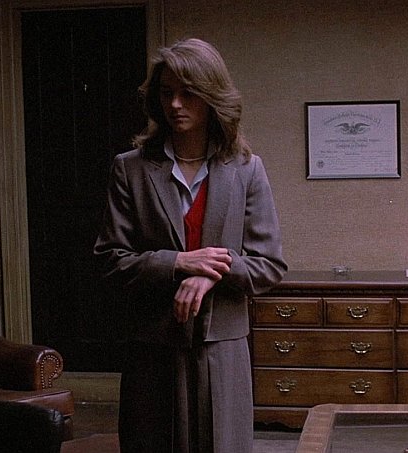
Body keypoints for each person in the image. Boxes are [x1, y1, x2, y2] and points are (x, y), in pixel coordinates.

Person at [93, 38, 287, 453]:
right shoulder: (130, 169)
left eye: (188, 93)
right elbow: (110, 261)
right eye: (166, 93)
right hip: (153, 350)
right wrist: (179, 262)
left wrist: (211, 272)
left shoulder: (246, 170)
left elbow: (269, 264)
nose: (175, 104)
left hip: (223, 352)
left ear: (212, 97)